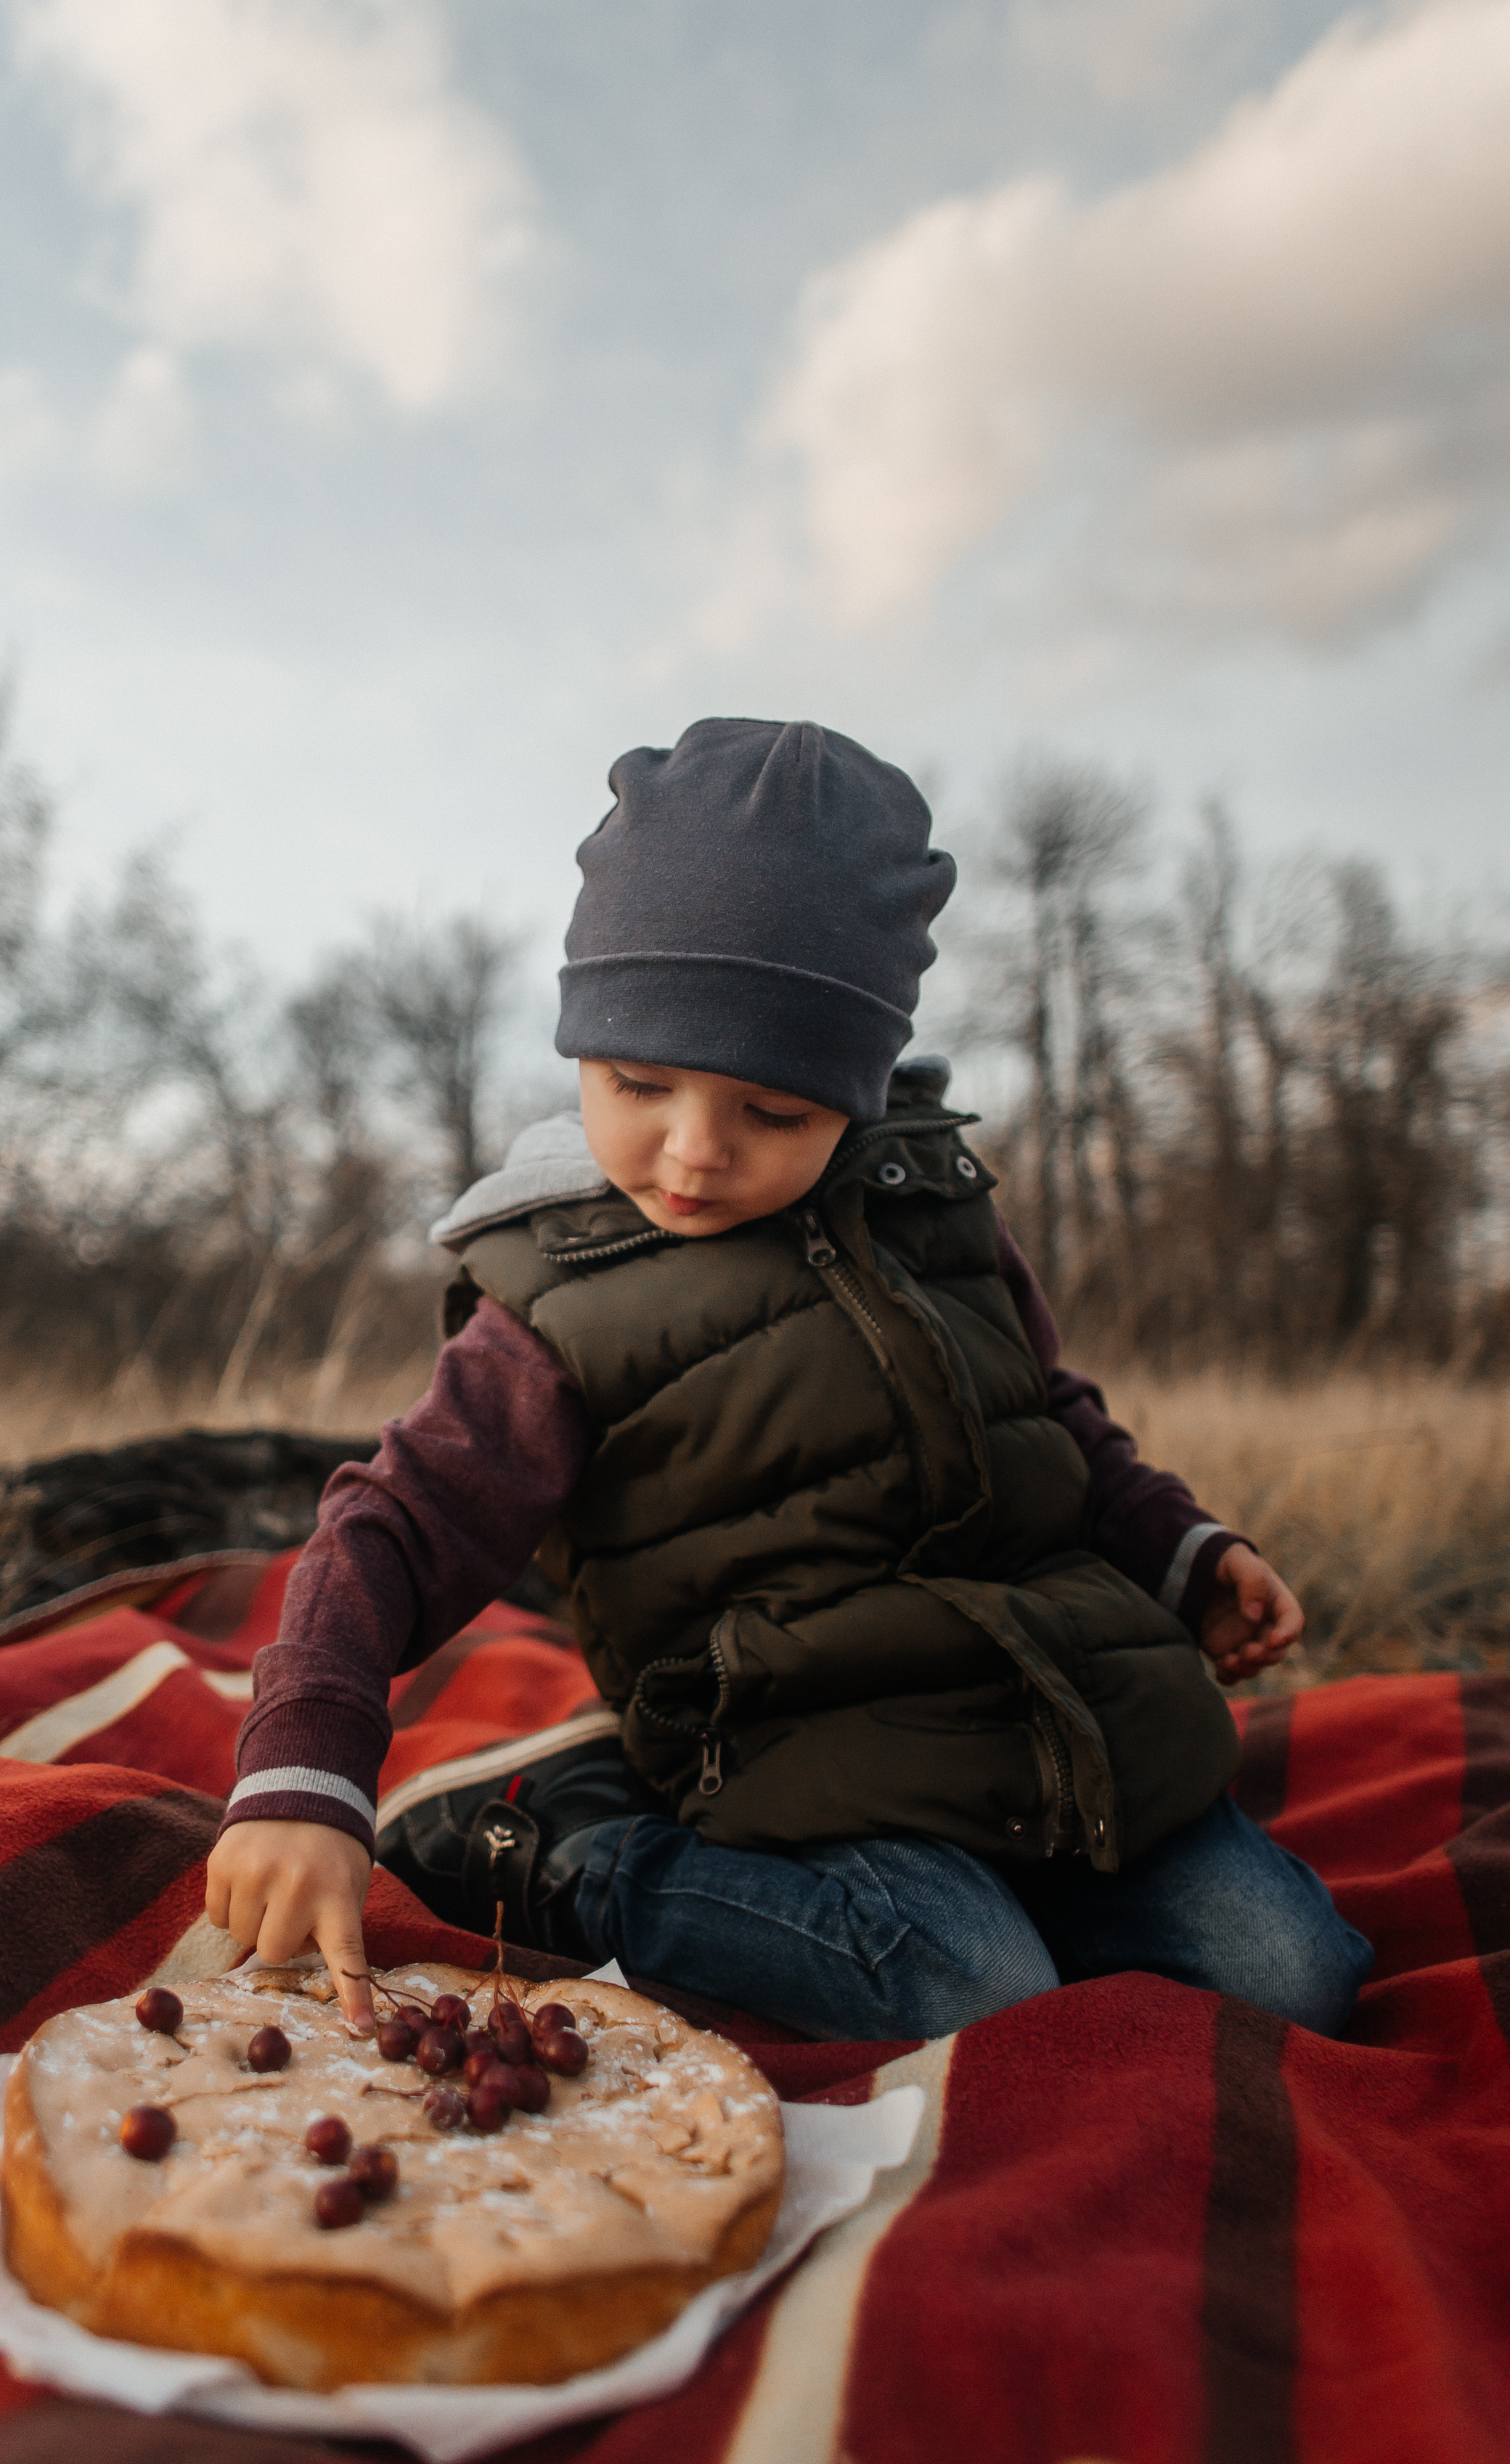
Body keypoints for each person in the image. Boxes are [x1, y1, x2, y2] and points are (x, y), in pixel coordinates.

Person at [207, 719, 1371, 2042]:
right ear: (579, 1045)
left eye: (777, 1112)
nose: (695, 1152)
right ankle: (557, 1851)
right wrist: (305, 1777)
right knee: (974, 1992)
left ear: (860, 1094)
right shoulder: (560, 1290)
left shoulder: (937, 1201)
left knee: (1302, 1982)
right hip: (794, 1759)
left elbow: (1048, 1418)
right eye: (637, 1082)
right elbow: (393, 1524)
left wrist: (1186, 1551)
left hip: (1061, 1722)